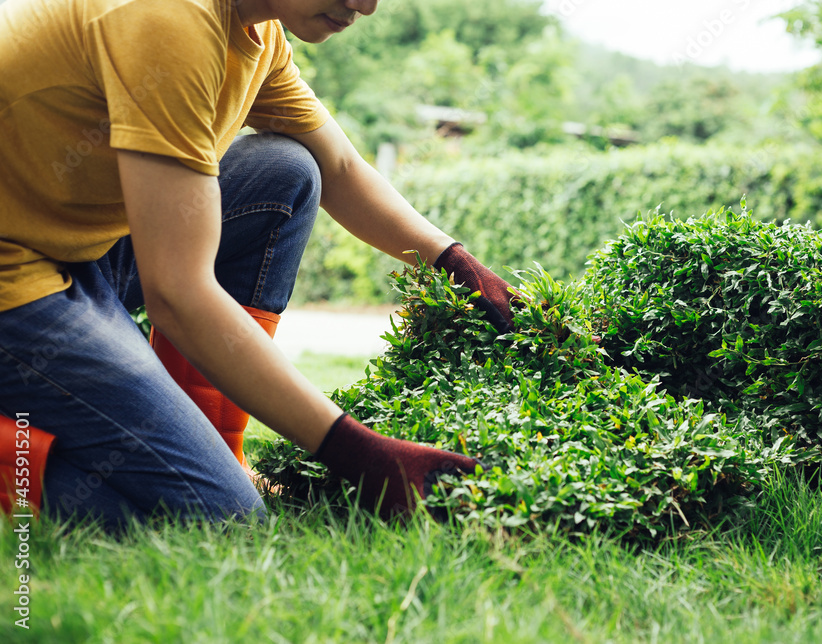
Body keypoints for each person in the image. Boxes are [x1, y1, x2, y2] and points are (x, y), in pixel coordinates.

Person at [0, 0, 519, 528]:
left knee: (287, 168)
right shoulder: (168, 19)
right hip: (13, 272)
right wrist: (358, 452)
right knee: (220, 517)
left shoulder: (257, 34)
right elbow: (179, 292)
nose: (365, 6)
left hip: (82, 249)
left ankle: (218, 442)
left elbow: (338, 166)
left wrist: (458, 266)